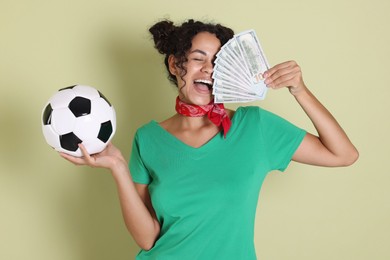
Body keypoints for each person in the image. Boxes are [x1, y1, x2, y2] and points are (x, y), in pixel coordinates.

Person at [61, 19, 359, 259]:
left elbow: (343, 154)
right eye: (197, 59)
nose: (208, 69)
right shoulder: (148, 137)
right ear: (176, 65)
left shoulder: (255, 127)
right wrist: (118, 168)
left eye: (219, 61)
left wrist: (299, 90)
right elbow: (148, 239)